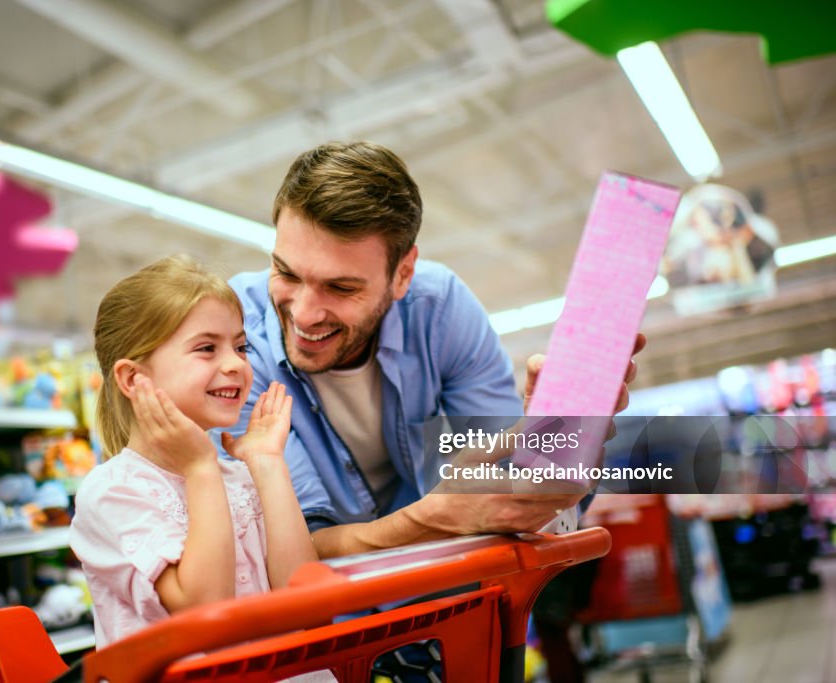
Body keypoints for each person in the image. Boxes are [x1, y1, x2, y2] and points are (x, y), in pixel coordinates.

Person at [224, 141, 642, 559]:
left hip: (441, 588)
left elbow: (507, 497)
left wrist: (549, 447)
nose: (304, 313)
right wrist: (433, 518)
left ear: (403, 274)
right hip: (325, 613)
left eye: (341, 287)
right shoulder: (231, 340)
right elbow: (295, 547)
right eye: (286, 273)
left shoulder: (439, 310)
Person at [69, 255, 317, 648]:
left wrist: (268, 462)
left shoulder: (242, 477)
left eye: (240, 347)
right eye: (206, 348)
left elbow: (307, 606)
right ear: (134, 378)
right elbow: (206, 614)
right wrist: (200, 467)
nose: (235, 364)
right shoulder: (111, 492)